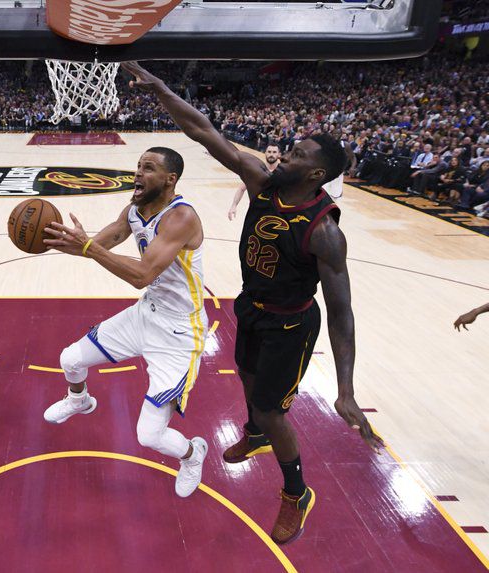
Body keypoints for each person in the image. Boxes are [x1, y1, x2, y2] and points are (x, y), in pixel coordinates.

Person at [122, 61, 383, 545]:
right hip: (252, 307)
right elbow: (203, 131)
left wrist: (346, 389)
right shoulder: (263, 182)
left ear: (317, 173)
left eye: (297, 154)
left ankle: (295, 492)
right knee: (246, 376)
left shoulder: (325, 232)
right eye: (289, 148)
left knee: (272, 408)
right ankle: (256, 431)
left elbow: (343, 316)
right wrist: (160, 87)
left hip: (291, 325)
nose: (284, 155)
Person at [43, 147, 209, 499]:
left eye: (148, 168)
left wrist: (88, 247)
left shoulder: (181, 217)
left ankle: (193, 454)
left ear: (170, 179)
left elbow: (142, 274)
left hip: (178, 333)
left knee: (148, 436)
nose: (137, 173)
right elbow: (97, 244)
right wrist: (52, 240)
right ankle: (80, 400)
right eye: (137, 166)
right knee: (70, 359)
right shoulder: (133, 210)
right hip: (145, 314)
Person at [229, 144, 281, 220]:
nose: (271, 154)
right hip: (256, 211)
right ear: (265, 153)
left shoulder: (284, 171)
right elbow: (241, 189)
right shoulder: (257, 170)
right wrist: (234, 206)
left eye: (274, 152)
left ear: (279, 154)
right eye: (269, 152)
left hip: (276, 214)